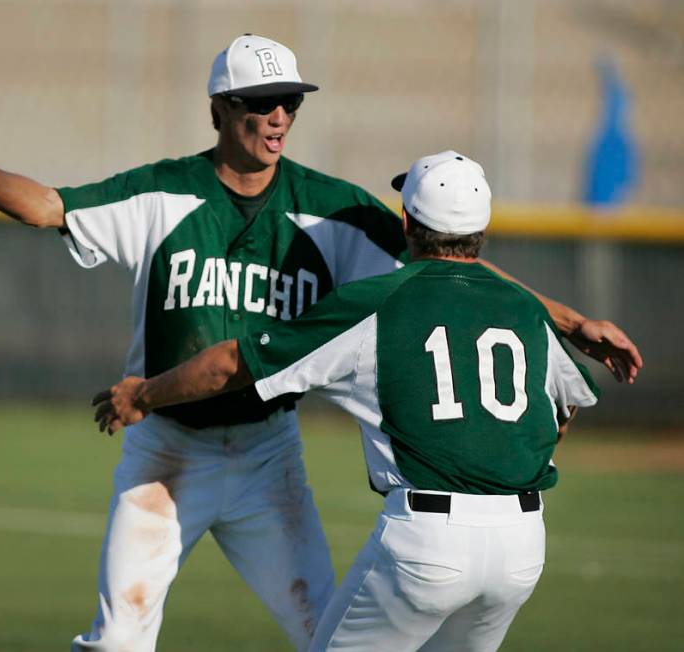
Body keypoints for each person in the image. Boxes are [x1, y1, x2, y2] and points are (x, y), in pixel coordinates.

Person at [0, 35, 639, 651]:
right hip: (168, 453)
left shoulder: (333, 208)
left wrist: (572, 323)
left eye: (290, 100)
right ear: (220, 109)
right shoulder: (164, 191)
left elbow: (452, 263)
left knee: (320, 628)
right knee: (118, 639)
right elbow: (51, 208)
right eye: (261, 100)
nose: (279, 114)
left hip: (268, 457)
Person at [94, 151, 614, 651]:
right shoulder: (527, 308)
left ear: (407, 222)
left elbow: (234, 364)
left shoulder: (378, 300)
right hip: (521, 544)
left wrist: (144, 392)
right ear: (483, 228)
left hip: (428, 542)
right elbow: (561, 411)